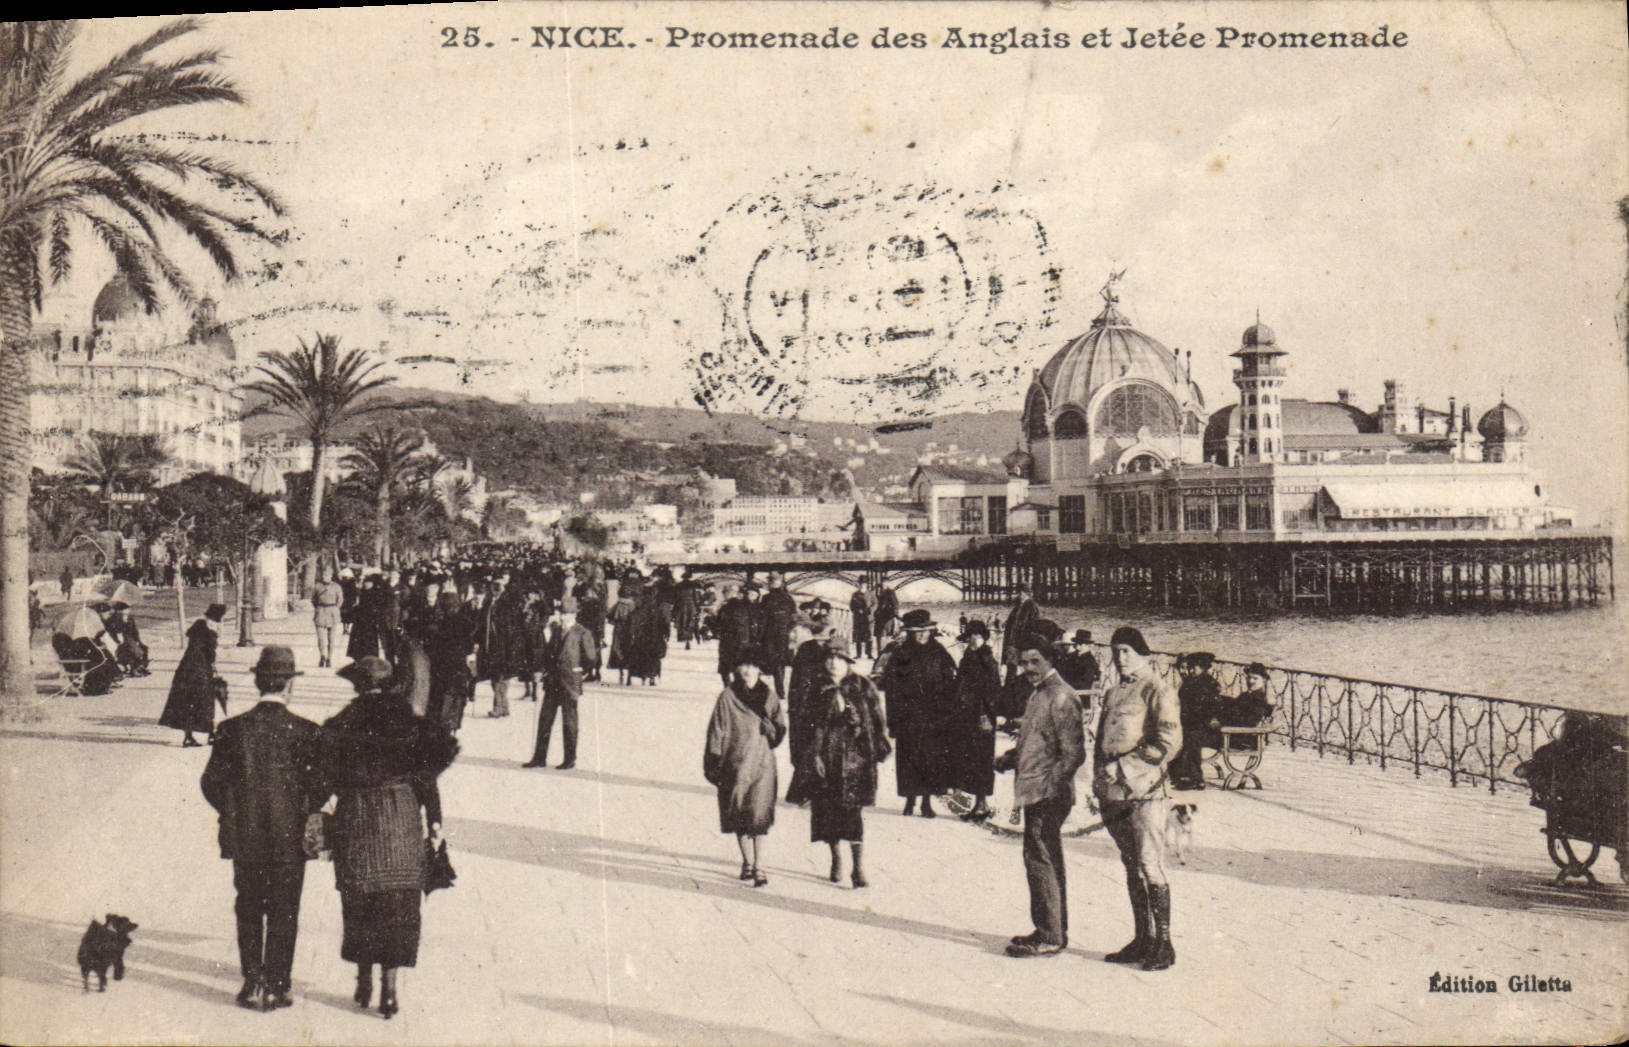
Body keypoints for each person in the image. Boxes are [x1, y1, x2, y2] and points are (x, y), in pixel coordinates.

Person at [314, 657, 458, 1020]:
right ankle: (390, 991)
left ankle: (363, 978)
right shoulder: (410, 723)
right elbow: (427, 777)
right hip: (401, 817)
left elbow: (323, 776)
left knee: (360, 899)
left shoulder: (342, 723)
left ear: (358, 687)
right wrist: (436, 822)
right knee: (397, 904)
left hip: (358, 817)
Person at [199, 646, 322, 1011]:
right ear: (290, 687)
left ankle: (252, 983)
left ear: (257, 683)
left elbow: (209, 782)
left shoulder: (231, 729)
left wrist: (234, 809)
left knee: (249, 908)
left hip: (245, 837)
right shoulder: (306, 732)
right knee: (285, 911)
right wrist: (304, 809)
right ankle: (279, 985)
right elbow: (323, 785)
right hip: (289, 839)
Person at [1093, 626, 1182, 971]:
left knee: (1149, 863)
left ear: (1144, 655)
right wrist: (1100, 780)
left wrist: (1125, 770)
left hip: (1146, 792)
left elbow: (1167, 743)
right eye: (1116, 652)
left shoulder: (1158, 689)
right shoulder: (1115, 692)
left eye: (1127, 651)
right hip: (1115, 793)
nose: (1120, 658)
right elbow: (1103, 740)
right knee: (1131, 863)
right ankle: (1141, 938)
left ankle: (1164, 943)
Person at [995, 630, 1085, 958]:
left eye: (1036, 661)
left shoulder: (1061, 695)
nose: (1028, 668)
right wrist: (1011, 758)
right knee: (1042, 858)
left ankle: (1049, 935)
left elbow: (1073, 753)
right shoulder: (1038, 694)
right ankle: (1050, 928)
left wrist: (1051, 788)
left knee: (1040, 859)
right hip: (1036, 789)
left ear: (1051, 660)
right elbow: (1037, 741)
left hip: (1048, 793)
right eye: (1024, 662)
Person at [806, 637, 890, 888]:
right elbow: (806, 725)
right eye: (829, 659)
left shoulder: (862, 686)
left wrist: (876, 744)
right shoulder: (816, 688)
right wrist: (812, 755)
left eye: (839, 659)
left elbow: (877, 719)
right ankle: (836, 859)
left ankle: (857, 867)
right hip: (827, 758)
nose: (833, 664)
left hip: (856, 758)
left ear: (847, 662)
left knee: (853, 813)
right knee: (828, 811)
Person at [703, 648, 786, 888]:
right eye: (743, 666)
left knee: (759, 815)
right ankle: (747, 861)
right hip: (734, 764)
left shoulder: (769, 696)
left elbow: (780, 727)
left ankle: (760, 866)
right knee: (739, 812)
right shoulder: (727, 697)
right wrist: (714, 761)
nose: (748, 671)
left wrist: (770, 729)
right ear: (736, 670)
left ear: (760, 670)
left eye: (753, 666)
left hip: (762, 765)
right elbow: (716, 731)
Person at [880, 609, 957, 817]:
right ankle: (910, 800)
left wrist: (948, 712)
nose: (923, 635)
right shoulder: (901, 654)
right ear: (910, 633)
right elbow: (892, 690)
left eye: (926, 631)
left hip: (934, 715)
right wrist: (894, 720)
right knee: (909, 758)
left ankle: (926, 802)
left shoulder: (939, 652)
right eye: (918, 632)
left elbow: (950, 683)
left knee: (931, 759)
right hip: (909, 716)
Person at [525, 595, 597, 770]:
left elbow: (592, 658)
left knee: (569, 722)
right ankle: (539, 758)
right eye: (562, 614)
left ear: (574, 615)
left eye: (566, 614)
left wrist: (581, 672)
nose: (563, 617)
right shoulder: (556, 631)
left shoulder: (582, 633)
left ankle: (569, 759)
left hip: (570, 682)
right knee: (545, 721)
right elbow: (549, 654)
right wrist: (541, 670)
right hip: (552, 682)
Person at [947, 619, 1001, 822]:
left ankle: (981, 805)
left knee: (981, 760)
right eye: (970, 637)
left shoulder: (988, 660)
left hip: (981, 716)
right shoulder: (968, 658)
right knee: (971, 758)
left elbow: (992, 691)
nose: (972, 640)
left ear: (984, 638)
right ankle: (980, 804)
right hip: (967, 716)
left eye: (976, 636)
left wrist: (986, 714)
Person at [160, 602, 228, 747]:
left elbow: (192, 639)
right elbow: (210, 655)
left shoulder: (198, 625)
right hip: (200, 670)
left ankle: (189, 736)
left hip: (185, 669)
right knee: (205, 702)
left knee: (187, 703)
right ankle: (211, 735)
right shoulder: (211, 632)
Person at [423, 591, 475, 733]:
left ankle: (439, 725)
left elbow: (429, 646)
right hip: (458, 666)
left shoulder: (437, 623)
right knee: (456, 695)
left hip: (440, 665)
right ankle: (452, 724)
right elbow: (470, 648)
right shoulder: (465, 623)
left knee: (439, 695)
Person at [1170, 653, 1223, 789]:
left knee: (1190, 738)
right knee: (1176, 734)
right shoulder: (1191, 682)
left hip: (1206, 727)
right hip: (1193, 724)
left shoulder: (1209, 684)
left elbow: (1212, 709)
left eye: (1194, 667)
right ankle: (1176, 775)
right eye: (1190, 667)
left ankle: (1195, 779)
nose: (1191, 670)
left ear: (1203, 668)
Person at [1214, 662, 1276, 750]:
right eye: (1249, 677)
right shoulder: (1245, 695)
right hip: (1230, 733)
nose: (1250, 681)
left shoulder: (1258, 700)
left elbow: (1248, 722)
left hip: (1237, 738)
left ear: (1264, 680)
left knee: (1193, 737)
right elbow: (1233, 707)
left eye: (1255, 678)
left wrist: (1220, 722)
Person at [758, 572, 799, 699]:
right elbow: (794, 617)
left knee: (774, 662)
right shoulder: (786, 598)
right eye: (771, 580)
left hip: (774, 635)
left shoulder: (768, 599)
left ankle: (776, 691)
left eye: (774, 581)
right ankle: (780, 691)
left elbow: (761, 618)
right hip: (779, 634)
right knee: (779, 663)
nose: (772, 583)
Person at [104, 602, 150, 677]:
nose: (128, 611)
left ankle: (141, 667)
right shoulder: (114, 618)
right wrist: (122, 622)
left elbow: (135, 631)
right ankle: (134, 669)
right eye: (126, 609)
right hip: (120, 639)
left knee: (143, 648)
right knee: (130, 649)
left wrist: (138, 641)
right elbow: (115, 631)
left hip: (129, 638)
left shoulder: (130, 618)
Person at [312, 567, 344, 669]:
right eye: (324, 575)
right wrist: (319, 607)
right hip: (321, 611)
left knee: (331, 639)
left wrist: (334, 608)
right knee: (320, 638)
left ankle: (329, 658)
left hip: (332, 611)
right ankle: (322, 656)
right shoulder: (317, 586)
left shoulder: (336, 587)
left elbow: (340, 600)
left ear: (331, 576)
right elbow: (313, 600)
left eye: (327, 575)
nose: (325, 577)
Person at [849, 585, 875, 659]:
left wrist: (870, 610)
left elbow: (875, 604)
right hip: (858, 618)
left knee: (869, 636)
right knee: (858, 636)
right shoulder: (855, 594)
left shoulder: (871, 594)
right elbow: (851, 605)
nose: (861, 586)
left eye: (863, 584)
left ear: (866, 585)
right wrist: (857, 610)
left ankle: (869, 654)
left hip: (868, 618)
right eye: (860, 584)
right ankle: (858, 654)